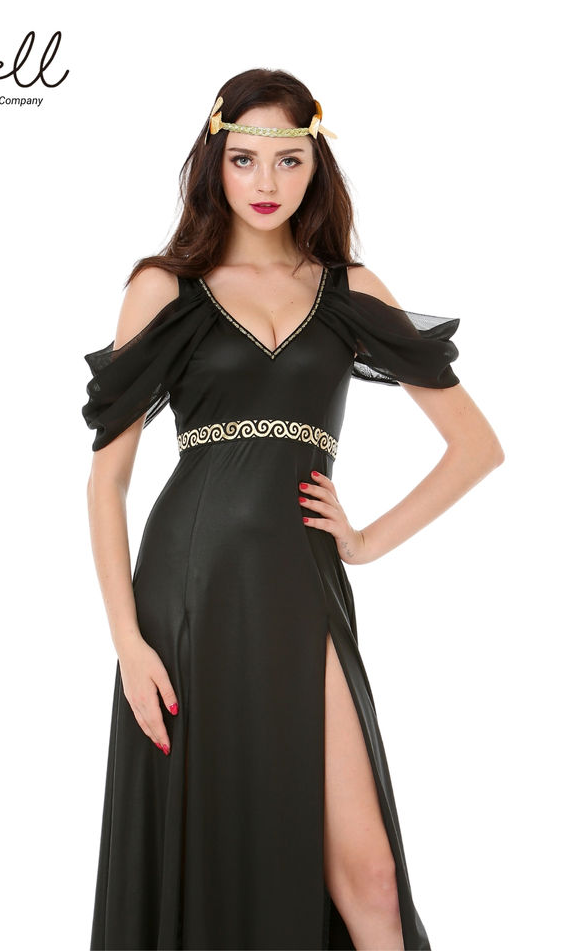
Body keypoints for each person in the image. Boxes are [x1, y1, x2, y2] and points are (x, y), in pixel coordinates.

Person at [82, 68, 504, 951]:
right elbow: (107, 481)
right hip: (187, 597)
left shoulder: (352, 288)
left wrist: (366, 541)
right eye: (244, 159)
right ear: (215, 162)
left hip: (303, 587)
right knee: (214, 857)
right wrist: (127, 641)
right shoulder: (165, 287)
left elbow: (475, 446)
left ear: (317, 164)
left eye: (288, 159)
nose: (266, 182)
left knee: (371, 879)